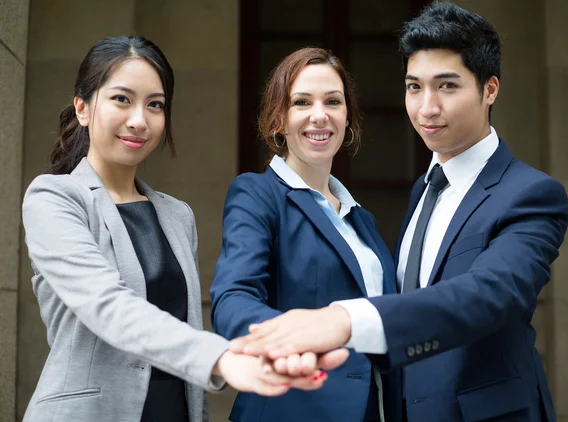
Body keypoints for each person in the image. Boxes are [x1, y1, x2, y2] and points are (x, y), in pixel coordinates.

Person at [230, 4, 568, 422]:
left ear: (490, 89)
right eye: (414, 87)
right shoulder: (424, 190)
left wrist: (345, 320)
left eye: (447, 86)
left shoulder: (531, 194)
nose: (426, 108)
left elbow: (488, 294)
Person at [21, 36, 340, 422]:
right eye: (122, 99)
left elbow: (183, 325)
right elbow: (107, 305)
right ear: (83, 108)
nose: (139, 120)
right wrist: (220, 357)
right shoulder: (54, 198)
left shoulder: (176, 215)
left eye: (155, 105)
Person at [210, 47, 402, 422]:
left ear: (348, 117)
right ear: (279, 119)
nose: (320, 115)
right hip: (294, 406)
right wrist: (289, 343)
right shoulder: (257, 195)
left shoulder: (361, 219)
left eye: (333, 101)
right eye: (301, 102)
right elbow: (233, 297)